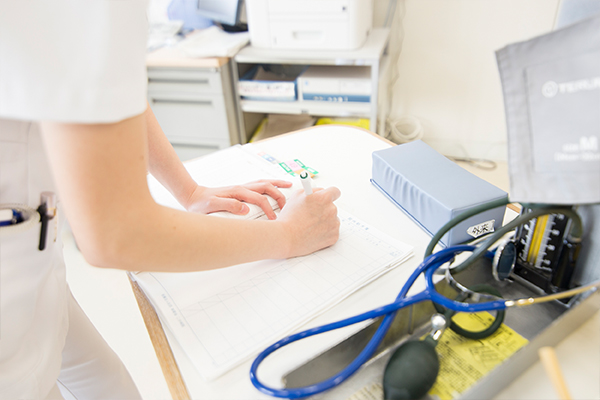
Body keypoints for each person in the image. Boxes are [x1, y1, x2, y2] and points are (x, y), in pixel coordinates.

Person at [0, 2, 341, 399]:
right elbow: (118, 236)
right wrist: (288, 236)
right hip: (10, 299)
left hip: (33, 244)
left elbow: (110, 90)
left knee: (106, 381)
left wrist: (190, 192)